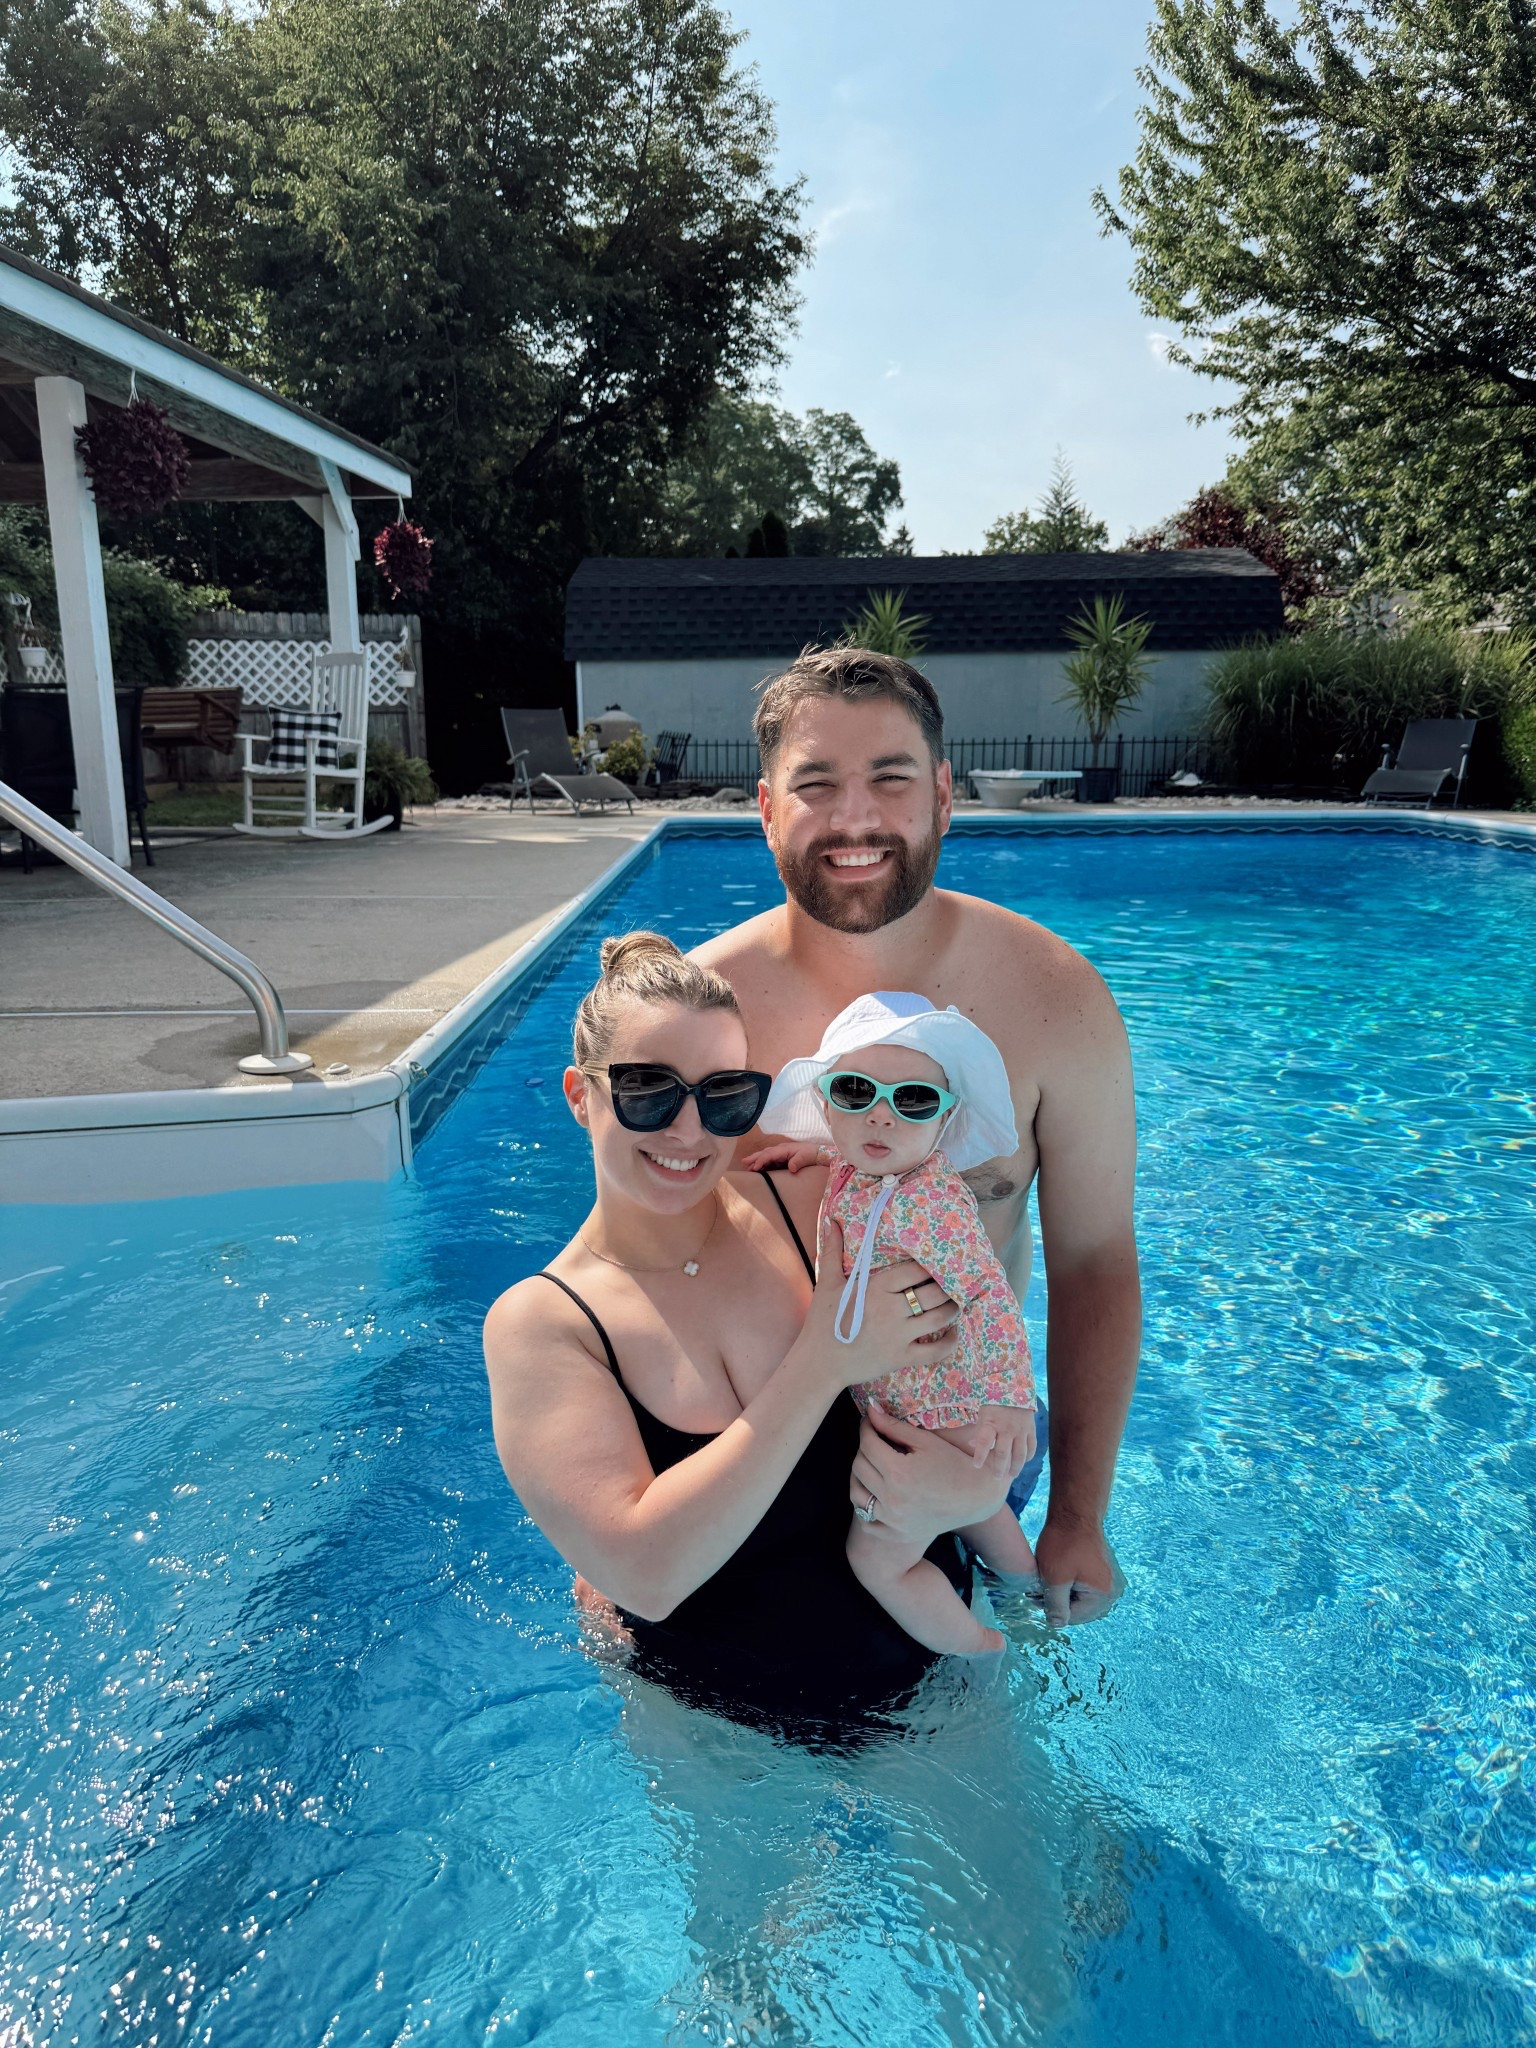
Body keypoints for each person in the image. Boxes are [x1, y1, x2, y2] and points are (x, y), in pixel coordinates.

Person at [481, 931, 1026, 1739]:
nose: (688, 1131)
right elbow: (649, 1573)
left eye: (723, 1095)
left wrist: (976, 1487)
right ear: (579, 1093)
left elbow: (969, 1333)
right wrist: (823, 1364)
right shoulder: (546, 1323)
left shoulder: (810, 1208)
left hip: (936, 1693)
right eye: (647, 1090)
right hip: (728, 1744)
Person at [706, 645, 1140, 1623]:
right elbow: (635, 1262)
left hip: (963, 1441)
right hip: (752, 1452)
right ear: (767, 810)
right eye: (816, 785)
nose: (855, 817)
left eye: (890, 780)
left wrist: (1078, 1511)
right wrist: (625, 1504)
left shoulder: (1053, 997)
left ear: (944, 795)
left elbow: (1095, 1261)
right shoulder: (703, 1013)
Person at [761, 989, 1040, 1656]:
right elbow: (864, 1160)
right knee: (981, 1509)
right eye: (856, 1093)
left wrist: (1012, 1400)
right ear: (827, 1104)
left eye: (913, 1100)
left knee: (877, 1560)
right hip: (933, 1406)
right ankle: (1030, 1598)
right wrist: (821, 1158)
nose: (881, 1119)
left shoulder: (934, 1209)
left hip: (942, 1414)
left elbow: (989, 1296)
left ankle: (979, 1648)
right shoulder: (871, 1170)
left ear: (944, 1121)